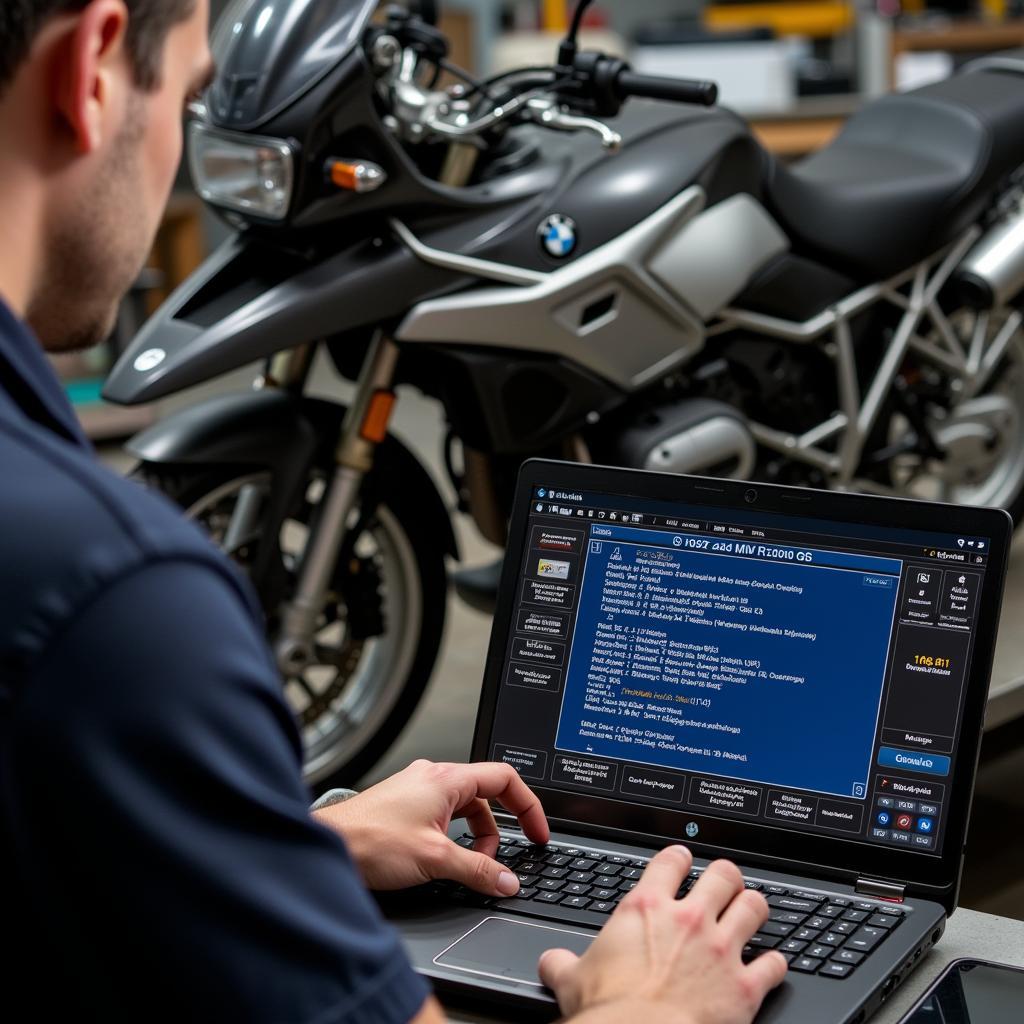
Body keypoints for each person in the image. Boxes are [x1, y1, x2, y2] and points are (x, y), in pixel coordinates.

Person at [0, 2, 788, 1021]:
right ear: (94, 68)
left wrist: (287, 848)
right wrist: (653, 1007)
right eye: (190, 96)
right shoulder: (116, 600)